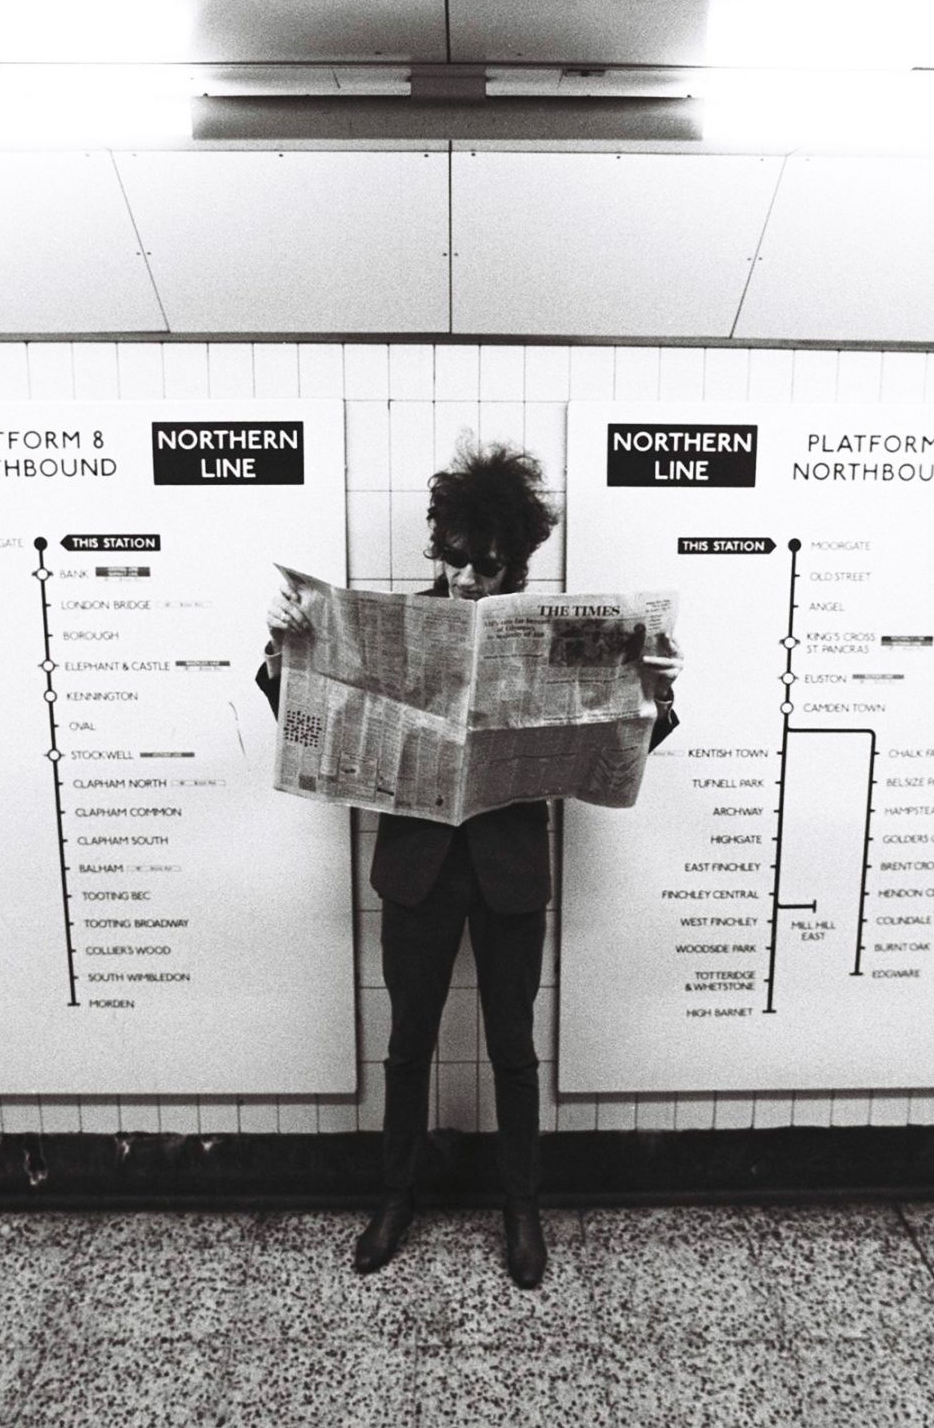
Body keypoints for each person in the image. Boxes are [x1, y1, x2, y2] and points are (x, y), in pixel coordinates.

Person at [257, 441, 681, 1288]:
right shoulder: (391, 629)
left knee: (513, 1047)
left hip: (509, 869)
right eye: (451, 559)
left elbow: (618, 743)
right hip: (417, 867)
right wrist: (281, 658)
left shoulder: (550, 635)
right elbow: (311, 717)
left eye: (485, 566)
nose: (465, 581)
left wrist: (655, 694)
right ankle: (395, 1198)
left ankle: (521, 1211)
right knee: (408, 1044)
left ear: (515, 563)